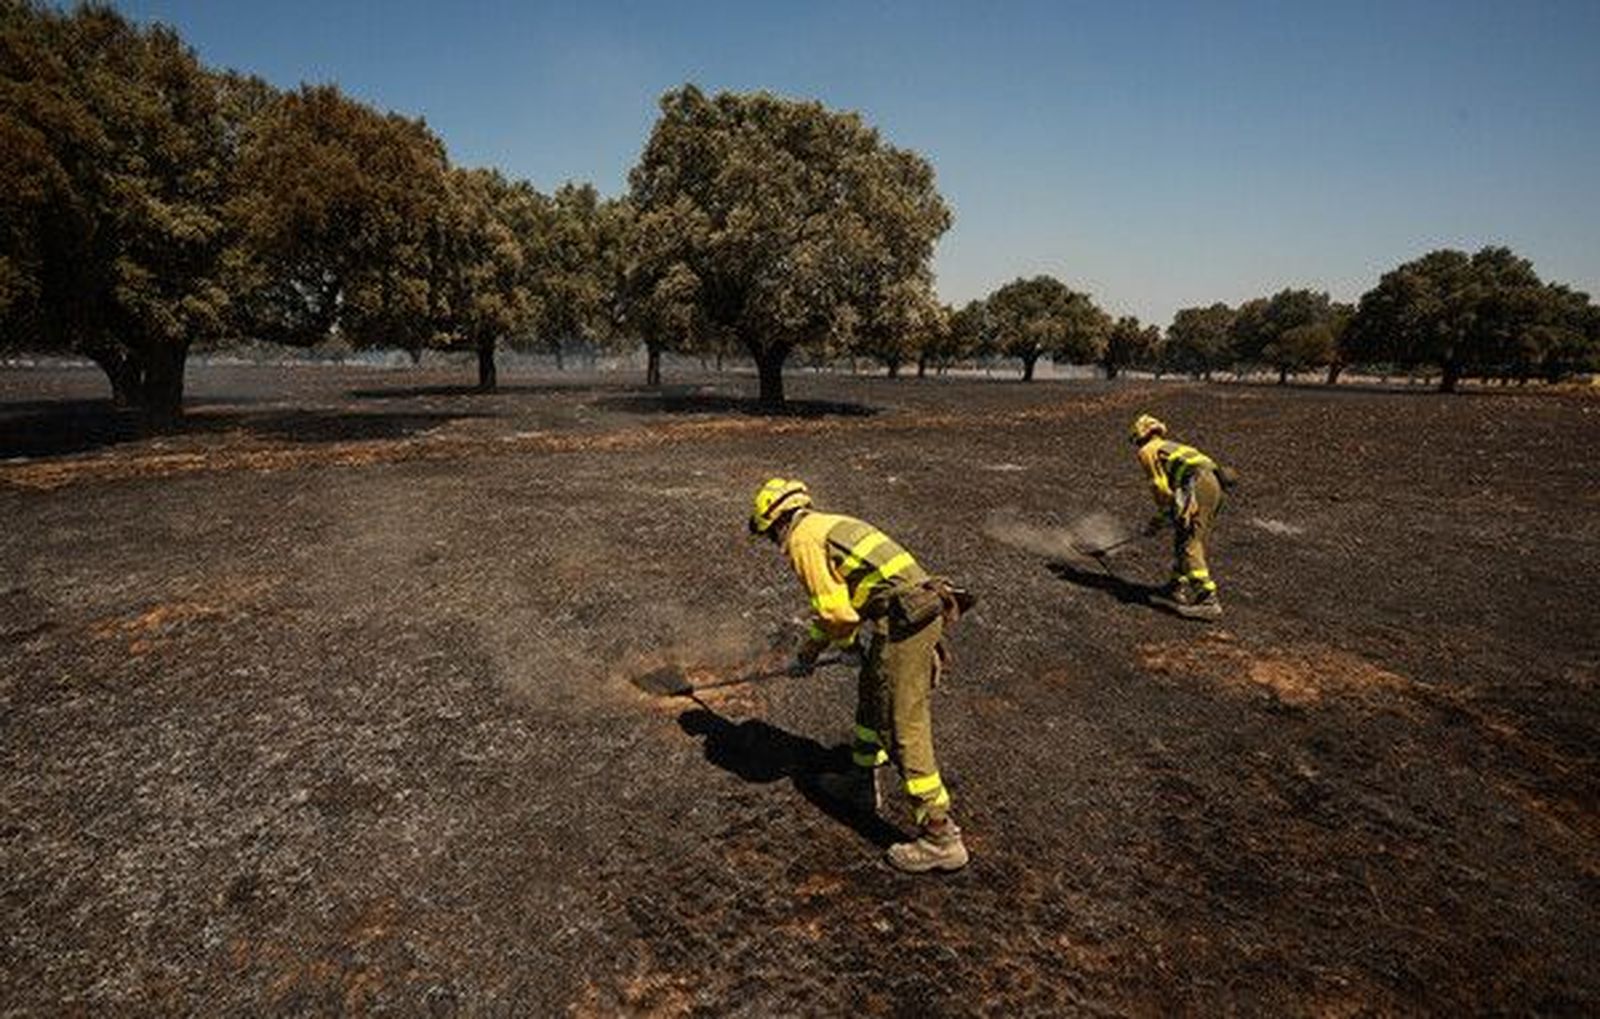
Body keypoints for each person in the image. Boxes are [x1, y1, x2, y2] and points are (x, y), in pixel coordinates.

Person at [748, 477, 969, 874]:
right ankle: (860, 780)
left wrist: (846, 645)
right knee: (871, 694)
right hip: (912, 611)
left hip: (906, 622)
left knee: (902, 724)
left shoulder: (801, 540)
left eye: (768, 535)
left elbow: (837, 615)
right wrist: (811, 652)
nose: (773, 544)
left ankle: (940, 836)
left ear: (777, 522)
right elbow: (840, 606)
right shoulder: (826, 524)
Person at [1130, 414, 1233, 620]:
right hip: (1213, 484)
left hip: (1198, 483)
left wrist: (1161, 516)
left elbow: (1159, 485)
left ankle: (1207, 600)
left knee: (1190, 543)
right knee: (1185, 535)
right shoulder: (1168, 445)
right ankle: (1177, 585)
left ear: (1139, 436)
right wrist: (1171, 513)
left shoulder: (1147, 450)